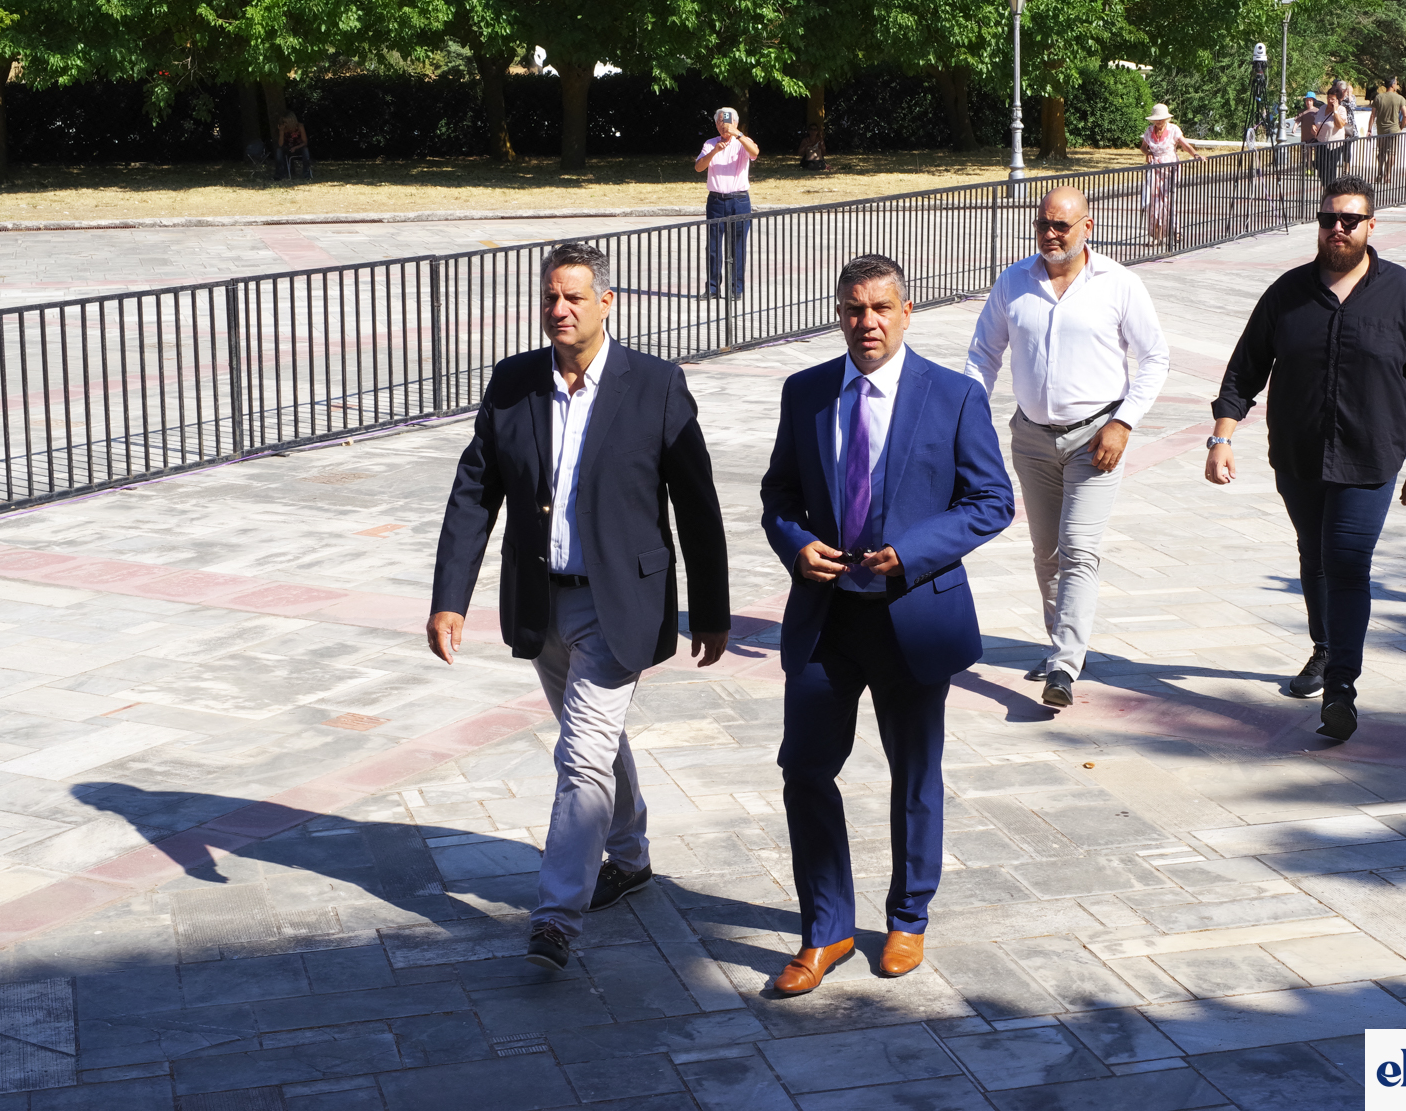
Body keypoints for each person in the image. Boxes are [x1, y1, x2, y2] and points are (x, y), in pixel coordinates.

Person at [428, 241, 731, 971]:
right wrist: (449, 599)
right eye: (550, 297)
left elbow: (697, 505)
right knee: (592, 739)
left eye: (573, 297)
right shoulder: (514, 383)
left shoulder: (655, 384)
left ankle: (556, 917)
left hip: (619, 602)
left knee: (580, 752)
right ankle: (629, 856)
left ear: (606, 302)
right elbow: (475, 492)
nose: (559, 310)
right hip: (542, 602)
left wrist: (712, 609)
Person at [759, 254, 1013, 994]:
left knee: (914, 773)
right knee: (805, 769)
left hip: (913, 615)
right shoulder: (806, 392)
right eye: (853, 309)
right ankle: (827, 928)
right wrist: (795, 543)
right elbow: (779, 494)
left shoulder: (953, 396)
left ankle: (908, 917)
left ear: (906, 313)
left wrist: (913, 552)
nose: (866, 322)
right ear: (839, 314)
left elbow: (991, 500)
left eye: (879, 308)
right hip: (827, 616)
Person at [1205, 174, 1406, 741]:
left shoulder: (1402, 293)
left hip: (1369, 458)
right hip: (1298, 456)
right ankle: (1324, 648)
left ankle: (1341, 689)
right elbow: (1244, 370)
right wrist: (1222, 437)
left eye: (1350, 220)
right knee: (1313, 557)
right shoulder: (1288, 293)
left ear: (1370, 226)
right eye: (1328, 219)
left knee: (1346, 564)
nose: (1338, 228)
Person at [963, 187, 1169, 707]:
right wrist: (966, 418)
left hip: (1096, 438)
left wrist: (1124, 423)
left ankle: (1063, 666)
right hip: (1031, 437)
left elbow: (1155, 358)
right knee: (1047, 552)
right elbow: (983, 355)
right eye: (1043, 224)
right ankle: (1061, 645)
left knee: (1078, 548)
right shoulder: (1013, 281)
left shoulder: (1118, 283)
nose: (1050, 234)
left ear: (1087, 227)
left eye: (1061, 225)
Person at [695, 108, 760, 298]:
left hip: (739, 200)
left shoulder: (742, 142)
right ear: (716, 125)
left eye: (728, 124)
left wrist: (738, 135)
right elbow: (699, 167)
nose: (724, 128)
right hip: (716, 200)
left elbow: (755, 152)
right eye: (720, 124)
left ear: (736, 123)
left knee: (738, 245)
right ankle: (713, 288)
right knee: (713, 246)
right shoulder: (710, 143)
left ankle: (736, 289)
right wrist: (715, 151)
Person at [1138, 103, 1201, 244]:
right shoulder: (1149, 130)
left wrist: (1196, 155)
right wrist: (1148, 153)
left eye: (1161, 119)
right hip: (1154, 168)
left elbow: (1185, 145)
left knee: (1167, 200)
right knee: (1154, 202)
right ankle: (1157, 235)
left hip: (1170, 169)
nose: (1159, 122)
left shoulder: (1173, 129)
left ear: (1166, 119)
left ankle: (1176, 231)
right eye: (1156, 120)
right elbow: (1143, 147)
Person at [1370, 76, 1406, 182]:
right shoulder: (1400, 98)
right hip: (1394, 130)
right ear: (1392, 84)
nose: (1397, 85)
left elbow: (1373, 115)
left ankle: (1379, 173)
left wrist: (1369, 129)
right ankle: (1387, 175)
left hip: (1381, 129)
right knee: (1392, 153)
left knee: (1381, 152)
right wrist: (1401, 127)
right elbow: (1405, 115)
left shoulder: (1378, 97)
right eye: (1396, 83)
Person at [1314, 89, 1349, 187]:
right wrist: (1313, 126)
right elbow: (1316, 121)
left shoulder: (1341, 110)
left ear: (1338, 100)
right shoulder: (1322, 108)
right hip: (1321, 143)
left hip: (1334, 145)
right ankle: (1326, 189)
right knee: (1321, 169)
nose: (1330, 101)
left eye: (1332, 99)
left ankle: (1330, 190)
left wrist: (1335, 111)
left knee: (1330, 170)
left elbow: (1340, 125)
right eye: (1328, 98)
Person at [275, 113, 311, 180]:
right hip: (287, 148)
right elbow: (280, 144)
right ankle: (279, 175)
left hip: (298, 147)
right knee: (278, 151)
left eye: (286, 122)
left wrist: (295, 147)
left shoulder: (300, 126)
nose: (285, 124)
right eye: (283, 122)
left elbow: (305, 142)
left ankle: (307, 174)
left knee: (305, 150)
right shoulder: (283, 128)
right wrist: (281, 132)